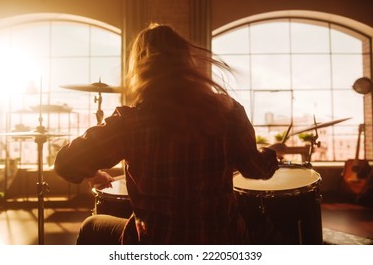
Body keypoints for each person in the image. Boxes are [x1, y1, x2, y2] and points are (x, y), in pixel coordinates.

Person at [53, 23, 280, 245]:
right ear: (186, 61)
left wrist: (93, 173)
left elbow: (66, 163)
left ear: (141, 67)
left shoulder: (130, 122)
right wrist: (272, 153)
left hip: (158, 243)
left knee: (91, 225)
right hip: (222, 242)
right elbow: (256, 169)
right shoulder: (228, 110)